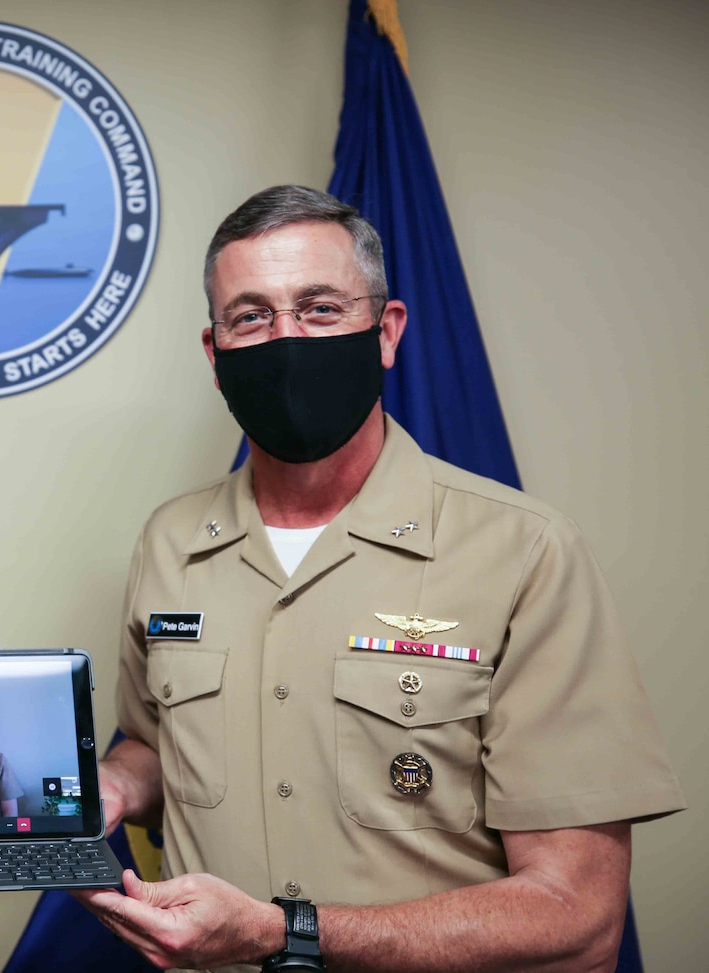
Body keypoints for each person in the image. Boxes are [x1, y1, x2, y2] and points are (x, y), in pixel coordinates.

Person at [79, 186, 686, 973]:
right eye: (252, 316)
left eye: (321, 308)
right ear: (215, 351)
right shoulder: (170, 540)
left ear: (386, 330)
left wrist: (282, 929)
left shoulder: (525, 553)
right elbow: (161, 743)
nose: (285, 338)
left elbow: (578, 916)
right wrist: (116, 785)